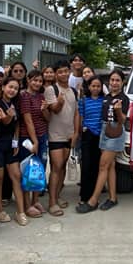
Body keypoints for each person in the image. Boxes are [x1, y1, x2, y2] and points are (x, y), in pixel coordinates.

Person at [78, 70, 129, 212]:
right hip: (104, 131)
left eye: (117, 80)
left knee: (103, 166)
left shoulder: (123, 99)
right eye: (112, 80)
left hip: (115, 131)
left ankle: (93, 200)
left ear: (122, 82)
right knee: (110, 166)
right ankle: (112, 198)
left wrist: (118, 110)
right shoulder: (106, 97)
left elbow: (122, 120)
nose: (114, 83)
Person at [44, 59, 78, 216]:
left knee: (63, 167)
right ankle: (52, 203)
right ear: (56, 74)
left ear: (69, 71)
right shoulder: (51, 90)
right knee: (56, 167)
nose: (64, 74)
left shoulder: (74, 91)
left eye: (66, 71)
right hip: (55, 135)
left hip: (69, 135)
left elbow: (76, 113)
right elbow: (55, 110)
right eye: (60, 72)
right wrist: (59, 102)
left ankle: (57, 196)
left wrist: (76, 133)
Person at [0, 77, 26, 224]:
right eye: (10, 87)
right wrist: (9, 116)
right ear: (3, 87)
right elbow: (4, 121)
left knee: (16, 176)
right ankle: (0, 211)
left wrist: (15, 141)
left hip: (10, 144)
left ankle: (21, 212)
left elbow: (16, 124)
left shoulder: (15, 103)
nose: (12, 90)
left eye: (16, 88)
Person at [18, 69, 49, 218]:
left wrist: (45, 110)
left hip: (42, 136)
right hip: (28, 139)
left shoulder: (41, 96)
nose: (37, 83)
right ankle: (27, 205)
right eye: (35, 80)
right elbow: (28, 120)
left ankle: (35, 200)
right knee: (27, 171)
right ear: (28, 80)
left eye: (40, 81)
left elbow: (47, 118)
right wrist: (34, 141)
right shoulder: (24, 96)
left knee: (39, 170)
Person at [76, 76, 105, 207]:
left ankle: (94, 195)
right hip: (87, 135)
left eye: (98, 86)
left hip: (100, 136)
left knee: (96, 166)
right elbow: (80, 117)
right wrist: (79, 132)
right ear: (89, 87)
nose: (95, 88)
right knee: (86, 165)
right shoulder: (83, 101)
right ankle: (84, 196)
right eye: (93, 86)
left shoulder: (104, 100)